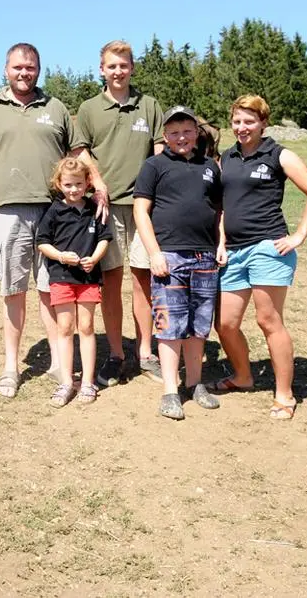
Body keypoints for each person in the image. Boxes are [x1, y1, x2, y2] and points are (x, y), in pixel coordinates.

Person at [0, 43, 102, 399]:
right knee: (13, 291)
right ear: (6, 69)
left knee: (51, 291)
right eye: (17, 68)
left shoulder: (55, 108)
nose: (24, 73)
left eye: (30, 67)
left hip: (53, 214)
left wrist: (98, 182)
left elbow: (78, 153)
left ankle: (60, 361)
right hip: (8, 210)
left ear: (38, 69)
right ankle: (11, 367)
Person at [209, 95, 307, 420]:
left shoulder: (279, 155)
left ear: (263, 123)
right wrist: (221, 241)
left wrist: (299, 235)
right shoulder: (227, 158)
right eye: (237, 121)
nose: (242, 127)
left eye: (249, 121)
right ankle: (244, 376)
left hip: (268, 250)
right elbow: (221, 206)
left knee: (268, 320)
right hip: (232, 251)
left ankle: (284, 395)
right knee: (225, 324)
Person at [73, 40, 165, 386]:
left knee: (144, 282)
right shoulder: (89, 108)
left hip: (143, 208)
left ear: (132, 68)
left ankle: (145, 353)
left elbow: (159, 153)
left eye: (124, 65)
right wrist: (96, 180)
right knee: (110, 282)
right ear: (102, 69)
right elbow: (81, 150)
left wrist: (157, 196)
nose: (118, 71)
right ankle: (115, 354)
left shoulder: (150, 106)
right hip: (104, 209)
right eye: (112, 66)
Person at [133, 106, 223, 420]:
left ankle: (195, 384)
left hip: (204, 256)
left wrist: (220, 243)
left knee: (199, 326)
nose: (181, 137)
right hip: (168, 257)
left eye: (187, 130)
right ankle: (171, 390)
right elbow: (141, 211)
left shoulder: (211, 166)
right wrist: (154, 253)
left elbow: (218, 210)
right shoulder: (154, 166)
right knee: (169, 327)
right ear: (165, 136)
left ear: (196, 133)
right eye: (174, 132)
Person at [35, 157, 112, 407]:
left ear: (87, 183)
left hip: (89, 278)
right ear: (59, 183)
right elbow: (42, 242)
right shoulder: (54, 211)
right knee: (65, 328)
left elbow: (104, 238)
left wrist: (96, 258)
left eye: (78, 184)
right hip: (61, 278)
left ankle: (88, 381)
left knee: (87, 327)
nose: (73, 189)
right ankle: (67, 382)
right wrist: (60, 256)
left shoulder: (94, 208)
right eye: (68, 184)